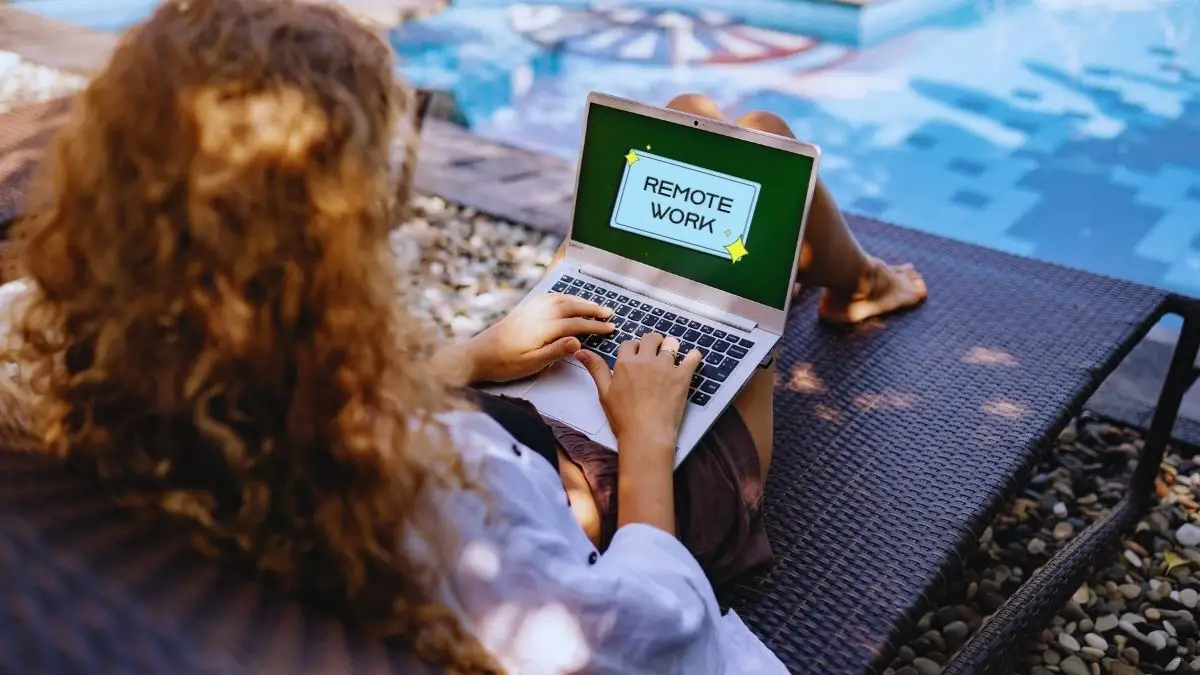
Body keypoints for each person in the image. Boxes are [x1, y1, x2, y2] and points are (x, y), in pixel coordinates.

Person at [0, 1, 926, 674]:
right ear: (333, 257)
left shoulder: (70, 366)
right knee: (759, 145)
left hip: (523, 441)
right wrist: (645, 439)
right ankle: (857, 284)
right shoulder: (427, 484)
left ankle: (832, 277)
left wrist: (467, 359)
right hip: (639, 510)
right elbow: (656, 635)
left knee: (696, 124)